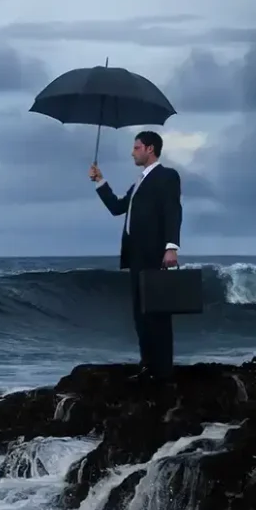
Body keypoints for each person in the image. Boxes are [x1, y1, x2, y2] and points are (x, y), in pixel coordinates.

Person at [89, 130, 182, 378]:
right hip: (136, 255)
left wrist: (171, 246)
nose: (133, 152)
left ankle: (163, 369)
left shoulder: (166, 176)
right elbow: (118, 208)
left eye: (136, 147)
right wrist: (100, 181)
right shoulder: (139, 182)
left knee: (157, 312)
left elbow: (172, 210)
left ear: (150, 149)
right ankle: (147, 365)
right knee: (140, 313)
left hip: (155, 254)